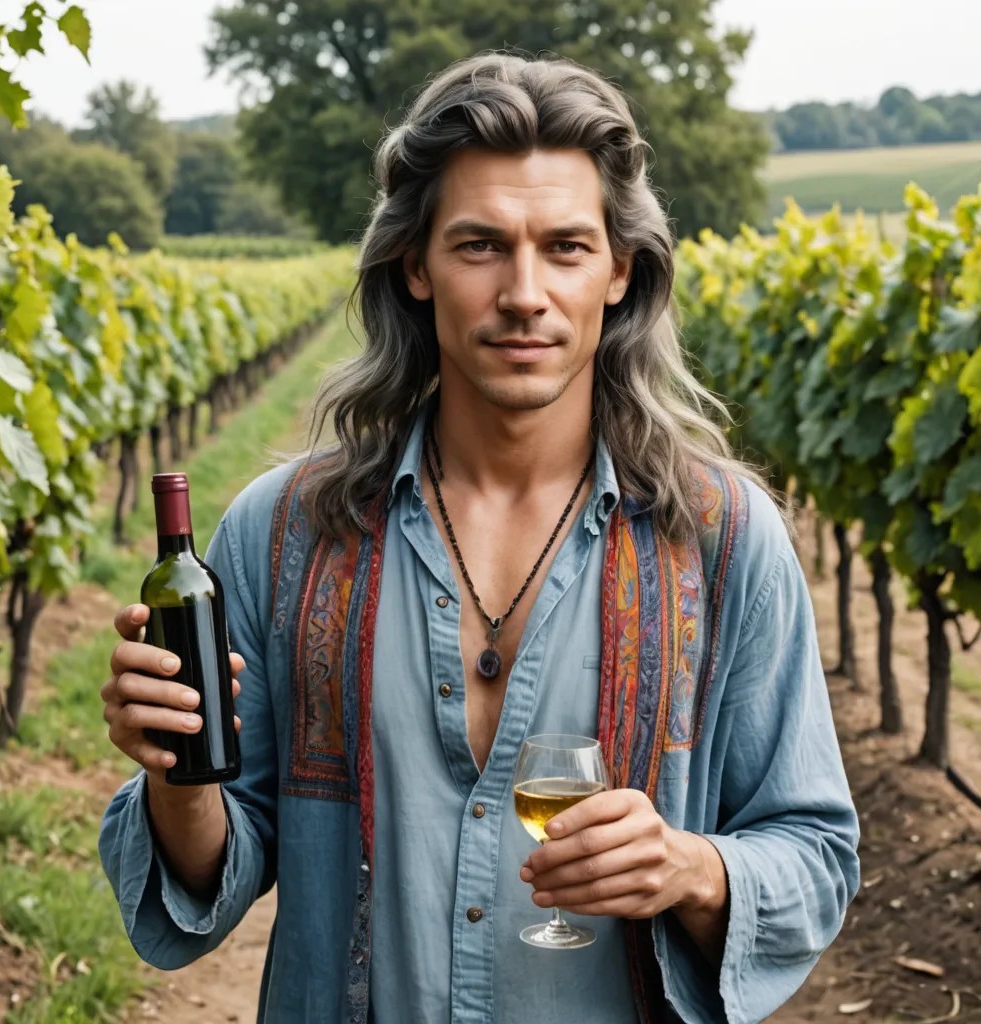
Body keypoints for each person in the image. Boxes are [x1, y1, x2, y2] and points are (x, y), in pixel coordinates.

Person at [99, 53, 859, 1023]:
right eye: (480, 246)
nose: (524, 292)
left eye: (567, 247)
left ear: (619, 271)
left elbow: (815, 855)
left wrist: (692, 866)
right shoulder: (283, 532)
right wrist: (176, 772)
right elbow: (218, 869)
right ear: (414, 266)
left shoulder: (722, 541)